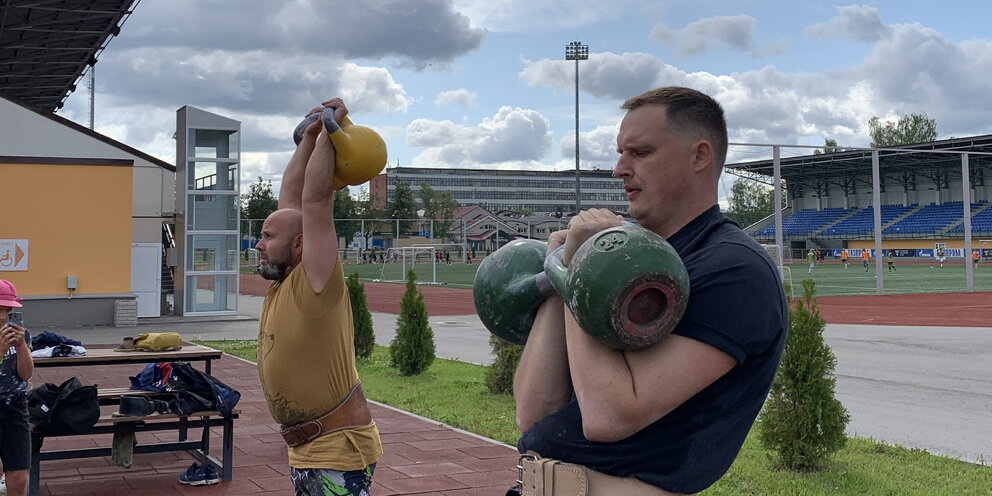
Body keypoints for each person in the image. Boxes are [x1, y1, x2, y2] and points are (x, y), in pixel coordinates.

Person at [512, 87, 787, 495]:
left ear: (699, 156)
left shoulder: (735, 270)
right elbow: (533, 411)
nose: (619, 169)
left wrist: (580, 267)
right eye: (621, 153)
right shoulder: (635, 256)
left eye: (639, 153)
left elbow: (609, 416)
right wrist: (561, 269)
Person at [254, 98, 382, 496]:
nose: (258, 244)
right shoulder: (284, 282)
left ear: (298, 245)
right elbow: (292, 197)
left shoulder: (316, 280)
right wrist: (307, 139)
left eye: (267, 237)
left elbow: (315, 202)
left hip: (337, 448)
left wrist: (330, 130)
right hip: (308, 449)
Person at [0, 279, 33, 496]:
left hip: (15, 406)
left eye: (8, 310)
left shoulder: (22, 334)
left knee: (19, 478)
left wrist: (21, 347)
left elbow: (26, 374)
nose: (3, 316)